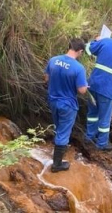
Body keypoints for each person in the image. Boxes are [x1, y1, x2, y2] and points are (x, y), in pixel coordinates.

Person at [44, 38, 88, 172]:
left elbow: (46, 78)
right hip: (67, 105)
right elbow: (82, 90)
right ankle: (57, 165)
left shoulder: (54, 60)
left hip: (53, 100)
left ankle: (58, 145)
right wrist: (85, 86)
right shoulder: (78, 68)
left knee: (59, 127)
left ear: (69, 46)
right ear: (80, 51)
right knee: (64, 132)